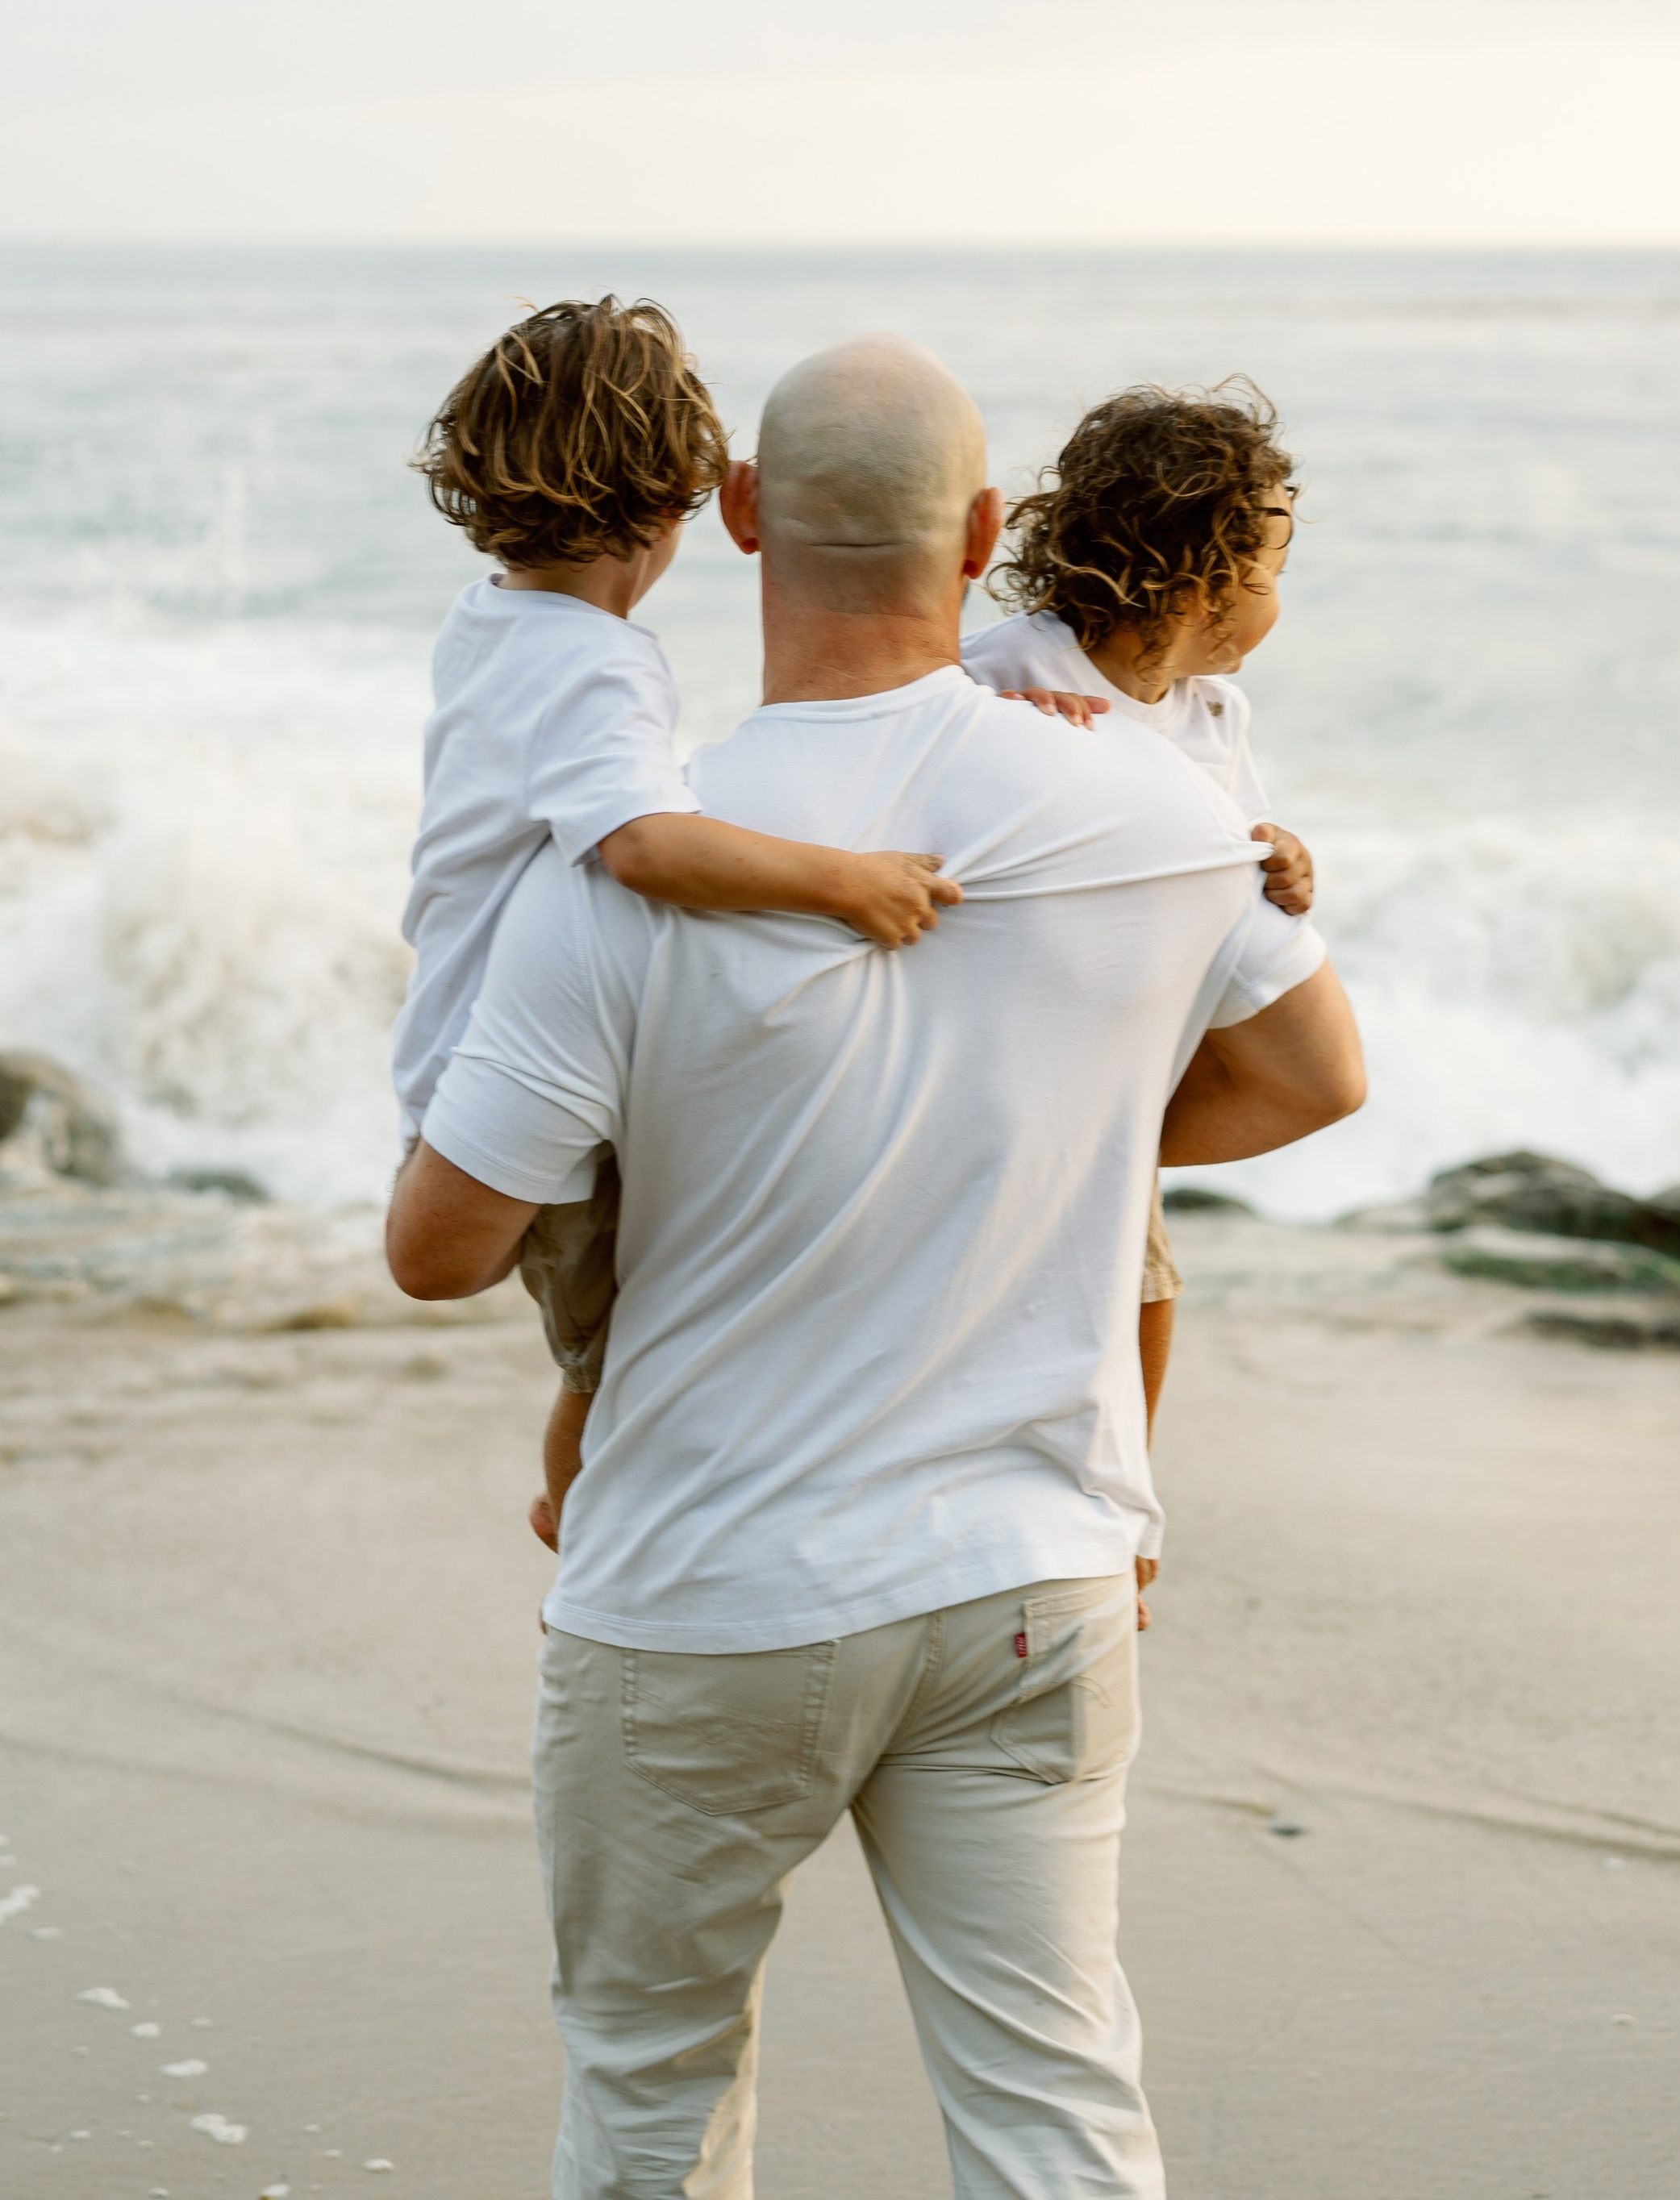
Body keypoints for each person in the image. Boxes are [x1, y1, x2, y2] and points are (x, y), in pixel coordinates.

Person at [387, 334, 1365, 2200]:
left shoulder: (619, 870)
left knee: (652, 2102)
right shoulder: (1167, 819)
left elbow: (443, 1251)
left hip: (706, 1593)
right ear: (985, 532)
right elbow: (1313, 1081)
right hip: (1033, 1580)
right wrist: (1033, 1139)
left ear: (741, 520)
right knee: (1056, 2110)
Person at [394, 295, 961, 1552]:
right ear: (675, 507)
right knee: (613, 1358)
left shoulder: (490, 624)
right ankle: (583, 1524)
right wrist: (841, 880)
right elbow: (643, 845)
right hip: (508, 1075)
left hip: (455, 1043)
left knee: (611, 1339)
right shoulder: (597, 663)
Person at [965, 379, 1315, 1451]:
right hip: (1011, 1023)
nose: (1280, 600)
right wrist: (1000, 721)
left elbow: (1236, 840)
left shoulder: (1215, 712)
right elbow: (912, 738)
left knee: (1145, 1279)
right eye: (1273, 575)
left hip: (1130, 1040)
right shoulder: (1014, 668)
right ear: (1202, 589)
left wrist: (1286, 859)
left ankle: (1125, 1486)